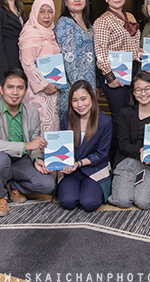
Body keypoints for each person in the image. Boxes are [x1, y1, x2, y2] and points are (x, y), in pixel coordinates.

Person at [0, 68, 55, 217]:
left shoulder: (31, 111)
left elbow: (35, 141)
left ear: (25, 90)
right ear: (1, 89)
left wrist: (37, 158)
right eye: (10, 87)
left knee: (48, 185)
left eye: (20, 88)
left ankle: (13, 185)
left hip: (20, 160)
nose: (15, 92)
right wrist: (27, 146)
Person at [94, 0, 143, 161]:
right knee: (118, 115)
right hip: (113, 72)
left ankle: (127, 151)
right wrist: (109, 76)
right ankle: (114, 157)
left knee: (129, 112)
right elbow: (100, 51)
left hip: (131, 69)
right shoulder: (102, 21)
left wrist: (140, 53)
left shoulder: (129, 15)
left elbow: (133, 45)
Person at [108, 72, 150, 210]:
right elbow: (123, 144)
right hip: (128, 160)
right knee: (122, 200)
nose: (143, 93)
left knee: (144, 202)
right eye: (138, 90)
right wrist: (141, 150)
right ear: (134, 93)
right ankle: (129, 184)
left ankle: (139, 186)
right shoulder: (125, 113)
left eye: (148, 88)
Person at [58, 80, 112, 212]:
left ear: (92, 98)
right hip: (72, 170)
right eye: (75, 100)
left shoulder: (105, 121)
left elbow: (101, 154)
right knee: (67, 201)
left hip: (95, 169)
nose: (80, 104)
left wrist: (79, 163)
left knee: (89, 203)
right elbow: (63, 148)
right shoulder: (66, 118)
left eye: (83, 99)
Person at [54, 0, 97, 124]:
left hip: (89, 86)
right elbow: (69, 59)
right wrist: (81, 89)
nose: (77, 0)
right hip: (75, 88)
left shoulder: (88, 24)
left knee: (88, 128)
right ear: (65, 1)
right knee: (74, 129)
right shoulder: (65, 23)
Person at [18, 0, 61, 132]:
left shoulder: (49, 33)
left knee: (52, 126)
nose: (46, 16)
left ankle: (50, 154)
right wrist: (44, 85)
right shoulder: (31, 34)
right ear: (35, 12)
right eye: (42, 11)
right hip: (37, 91)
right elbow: (27, 64)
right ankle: (38, 153)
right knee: (39, 126)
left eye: (50, 11)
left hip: (52, 89)